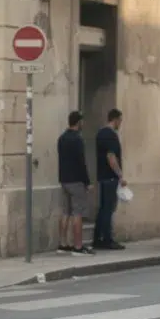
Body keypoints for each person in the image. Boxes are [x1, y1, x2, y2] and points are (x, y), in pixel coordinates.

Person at [56, 111, 92, 255]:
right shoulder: (77, 139)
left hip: (64, 179)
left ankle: (63, 244)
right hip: (76, 181)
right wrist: (87, 182)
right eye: (82, 122)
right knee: (77, 213)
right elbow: (81, 162)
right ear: (78, 122)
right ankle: (78, 246)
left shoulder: (62, 138)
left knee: (65, 212)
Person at [93, 109, 125, 251]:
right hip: (110, 177)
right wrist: (120, 175)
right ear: (116, 119)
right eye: (120, 121)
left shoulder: (100, 133)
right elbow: (111, 157)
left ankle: (97, 238)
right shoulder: (111, 135)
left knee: (103, 208)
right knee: (109, 209)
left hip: (102, 176)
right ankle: (107, 239)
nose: (120, 124)